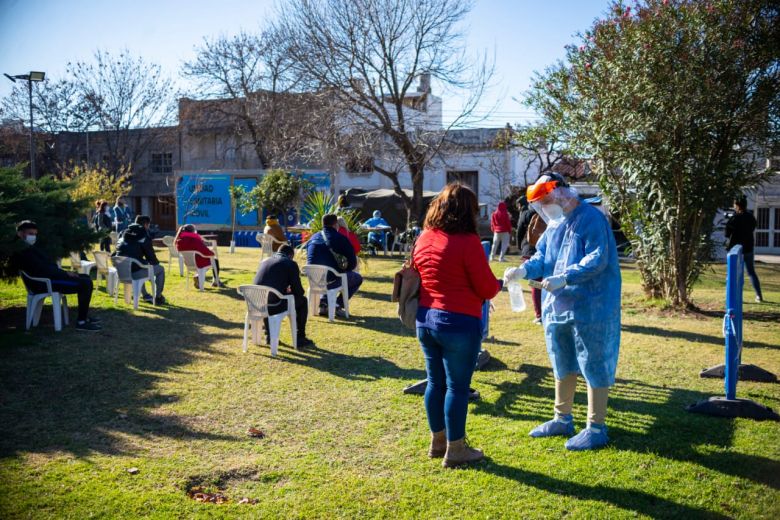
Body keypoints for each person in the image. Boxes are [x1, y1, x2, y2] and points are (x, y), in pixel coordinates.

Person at [504, 173, 621, 451]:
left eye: (546, 200)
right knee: (563, 359)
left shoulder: (591, 218)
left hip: (591, 305)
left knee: (594, 361)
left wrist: (565, 277)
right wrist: (523, 270)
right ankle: (562, 418)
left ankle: (596, 426)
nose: (545, 208)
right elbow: (543, 257)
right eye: (540, 204)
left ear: (561, 194)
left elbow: (597, 258)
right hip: (558, 307)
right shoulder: (555, 225)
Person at [413, 183, 502, 468]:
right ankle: (456, 449)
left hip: (426, 320)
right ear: (468, 212)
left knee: (435, 383)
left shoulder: (424, 237)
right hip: (459, 323)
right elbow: (487, 288)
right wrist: (499, 284)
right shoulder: (467, 242)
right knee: (458, 388)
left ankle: (438, 441)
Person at [12, 220, 101, 331]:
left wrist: (63, 272)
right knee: (85, 283)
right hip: (43, 283)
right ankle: (81, 322)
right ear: (20, 233)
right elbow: (42, 270)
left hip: (48, 278)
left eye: (35, 234)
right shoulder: (22, 250)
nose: (33, 237)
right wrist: (64, 274)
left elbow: (46, 266)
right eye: (30, 234)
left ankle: (84, 317)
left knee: (85, 277)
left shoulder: (27, 247)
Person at [253, 244, 313, 348]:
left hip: (256, 304)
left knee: (269, 298)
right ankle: (300, 337)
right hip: (275, 305)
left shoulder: (264, 261)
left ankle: (269, 336)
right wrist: (288, 291)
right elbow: (299, 292)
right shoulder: (290, 263)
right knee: (302, 301)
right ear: (290, 255)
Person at [306, 213, 362, 317]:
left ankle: (324, 302)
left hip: (314, 279)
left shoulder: (313, 238)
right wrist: (345, 270)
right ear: (336, 224)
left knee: (331, 275)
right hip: (331, 279)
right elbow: (353, 262)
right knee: (357, 278)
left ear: (322, 224)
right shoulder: (341, 238)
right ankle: (336, 304)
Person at [115, 215, 166, 305]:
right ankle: (158, 297)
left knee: (140, 265)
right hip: (134, 272)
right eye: (149, 225)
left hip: (121, 271)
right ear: (146, 225)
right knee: (160, 269)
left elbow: (116, 252)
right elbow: (151, 257)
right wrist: (154, 264)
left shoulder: (123, 233)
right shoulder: (143, 236)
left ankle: (145, 295)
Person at [515, 195, 546, 324]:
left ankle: (539, 314)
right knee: (547, 283)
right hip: (546, 251)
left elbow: (519, 232)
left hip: (529, 251)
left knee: (535, 285)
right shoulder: (547, 212)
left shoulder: (526, 214)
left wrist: (520, 246)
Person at [725, 198, 763, 302]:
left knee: (732, 274)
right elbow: (752, 228)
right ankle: (759, 295)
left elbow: (727, 234)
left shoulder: (734, 218)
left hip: (735, 249)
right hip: (748, 248)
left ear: (737, 205)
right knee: (751, 272)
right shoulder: (751, 217)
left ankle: (732, 297)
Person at [175, 224, 223, 289]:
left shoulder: (179, 240)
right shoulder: (194, 239)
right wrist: (212, 252)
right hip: (199, 262)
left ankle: (198, 276)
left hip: (188, 264)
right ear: (193, 231)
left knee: (207, 261)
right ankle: (215, 282)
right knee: (215, 260)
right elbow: (205, 251)